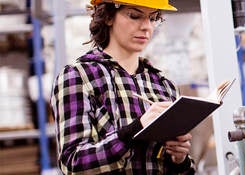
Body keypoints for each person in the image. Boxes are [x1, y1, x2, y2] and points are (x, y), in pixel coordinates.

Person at [50, 0, 195, 174]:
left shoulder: (164, 86)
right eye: (135, 16)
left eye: (153, 18)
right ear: (108, 16)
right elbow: (73, 163)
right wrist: (135, 130)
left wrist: (179, 161)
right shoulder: (78, 77)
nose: (146, 27)